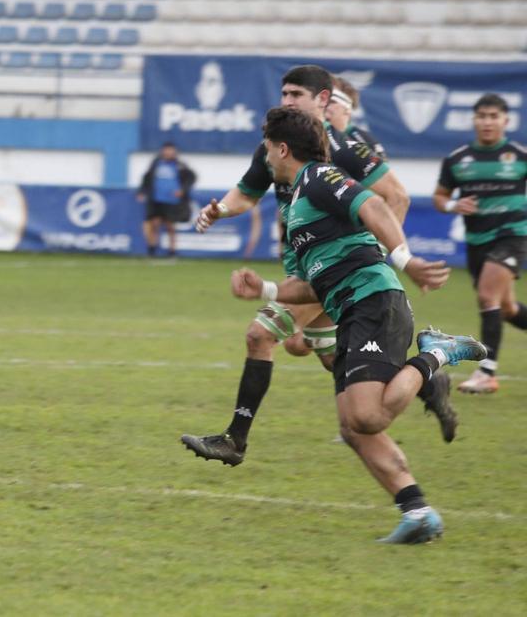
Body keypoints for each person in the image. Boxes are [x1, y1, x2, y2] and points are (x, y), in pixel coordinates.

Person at [232, 106, 485, 543]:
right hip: (349, 310)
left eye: (268, 149)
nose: (266, 158)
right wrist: (267, 290)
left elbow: (375, 205)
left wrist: (406, 260)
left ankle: (438, 352)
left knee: (367, 417)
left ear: (283, 148)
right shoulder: (294, 205)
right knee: (353, 428)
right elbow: (313, 285)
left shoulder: (319, 177)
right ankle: (418, 513)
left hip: (374, 300)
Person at [181, 64, 413, 466]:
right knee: (331, 357)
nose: (286, 100)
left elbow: (396, 197)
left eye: (295, 95)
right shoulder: (277, 144)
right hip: (305, 268)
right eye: (284, 94)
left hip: (338, 270)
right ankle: (424, 380)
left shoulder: (346, 149)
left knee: (260, 335)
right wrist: (221, 209)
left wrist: (366, 255)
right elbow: (247, 192)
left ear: (323, 99)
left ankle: (235, 438)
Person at [434, 93, 527, 394]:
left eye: (493, 116)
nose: (488, 122)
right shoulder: (458, 159)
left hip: (512, 235)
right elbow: (440, 197)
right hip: (478, 242)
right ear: (474, 120)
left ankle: (487, 373)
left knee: (487, 297)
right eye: (482, 116)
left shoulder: (519, 155)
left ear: (505, 121)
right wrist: (453, 206)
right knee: (507, 308)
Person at [137, 142, 197, 257]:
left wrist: (183, 190)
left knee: (170, 226)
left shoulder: (180, 165)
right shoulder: (156, 163)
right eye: (166, 150)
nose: (168, 152)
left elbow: (191, 178)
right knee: (153, 224)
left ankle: (172, 250)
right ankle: (152, 248)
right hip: (156, 199)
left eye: (171, 150)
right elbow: (147, 177)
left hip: (172, 201)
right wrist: (141, 191)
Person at [327, 75, 387, 160]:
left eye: (331, 101)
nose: (324, 105)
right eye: (322, 99)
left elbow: (383, 172)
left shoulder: (362, 140)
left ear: (347, 108)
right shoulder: (311, 133)